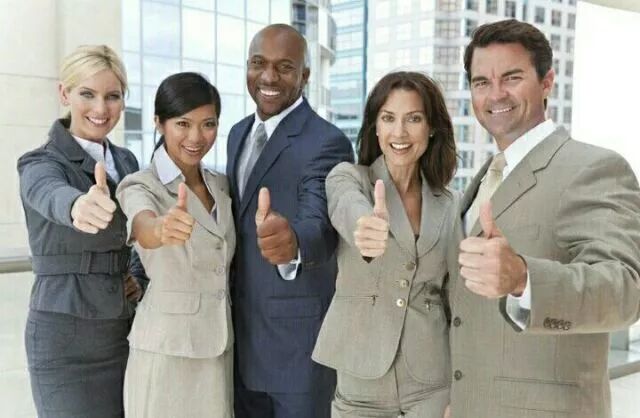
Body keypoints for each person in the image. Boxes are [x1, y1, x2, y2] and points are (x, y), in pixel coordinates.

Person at [449, 19, 640, 418]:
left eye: (512, 77)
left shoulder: (593, 168)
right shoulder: (485, 176)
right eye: (481, 82)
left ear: (547, 82)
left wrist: (524, 278)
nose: (495, 93)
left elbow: (625, 290)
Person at [312, 71, 459, 418]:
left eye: (414, 119)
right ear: (375, 127)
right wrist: (364, 226)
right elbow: (347, 207)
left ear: (431, 128)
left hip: (432, 380)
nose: (400, 132)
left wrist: (462, 389)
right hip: (361, 380)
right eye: (388, 118)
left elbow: (456, 300)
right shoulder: (350, 178)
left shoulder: (450, 203)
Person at [226, 24, 353, 418]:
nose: (268, 77)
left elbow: (320, 223)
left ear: (305, 76)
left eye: (284, 67)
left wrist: (293, 243)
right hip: (239, 345)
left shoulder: (326, 141)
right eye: (258, 63)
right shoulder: (236, 134)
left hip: (297, 352)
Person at [17, 45, 147, 418]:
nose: (101, 108)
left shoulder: (126, 161)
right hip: (65, 341)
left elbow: (137, 236)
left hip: (123, 332)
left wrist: (136, 275)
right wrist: (77, 206)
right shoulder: (40, 162)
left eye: (113, 96)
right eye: (87, 94)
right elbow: (47, 192)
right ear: (65, 94)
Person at [116, 72, 234, 418]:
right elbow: (142, 225)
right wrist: (160, 228)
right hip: (166, 352)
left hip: (218, 349)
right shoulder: (140, 184)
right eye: (183, 123)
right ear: (159, 123)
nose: (196, 137)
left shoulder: (221, 184)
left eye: (208, 124)